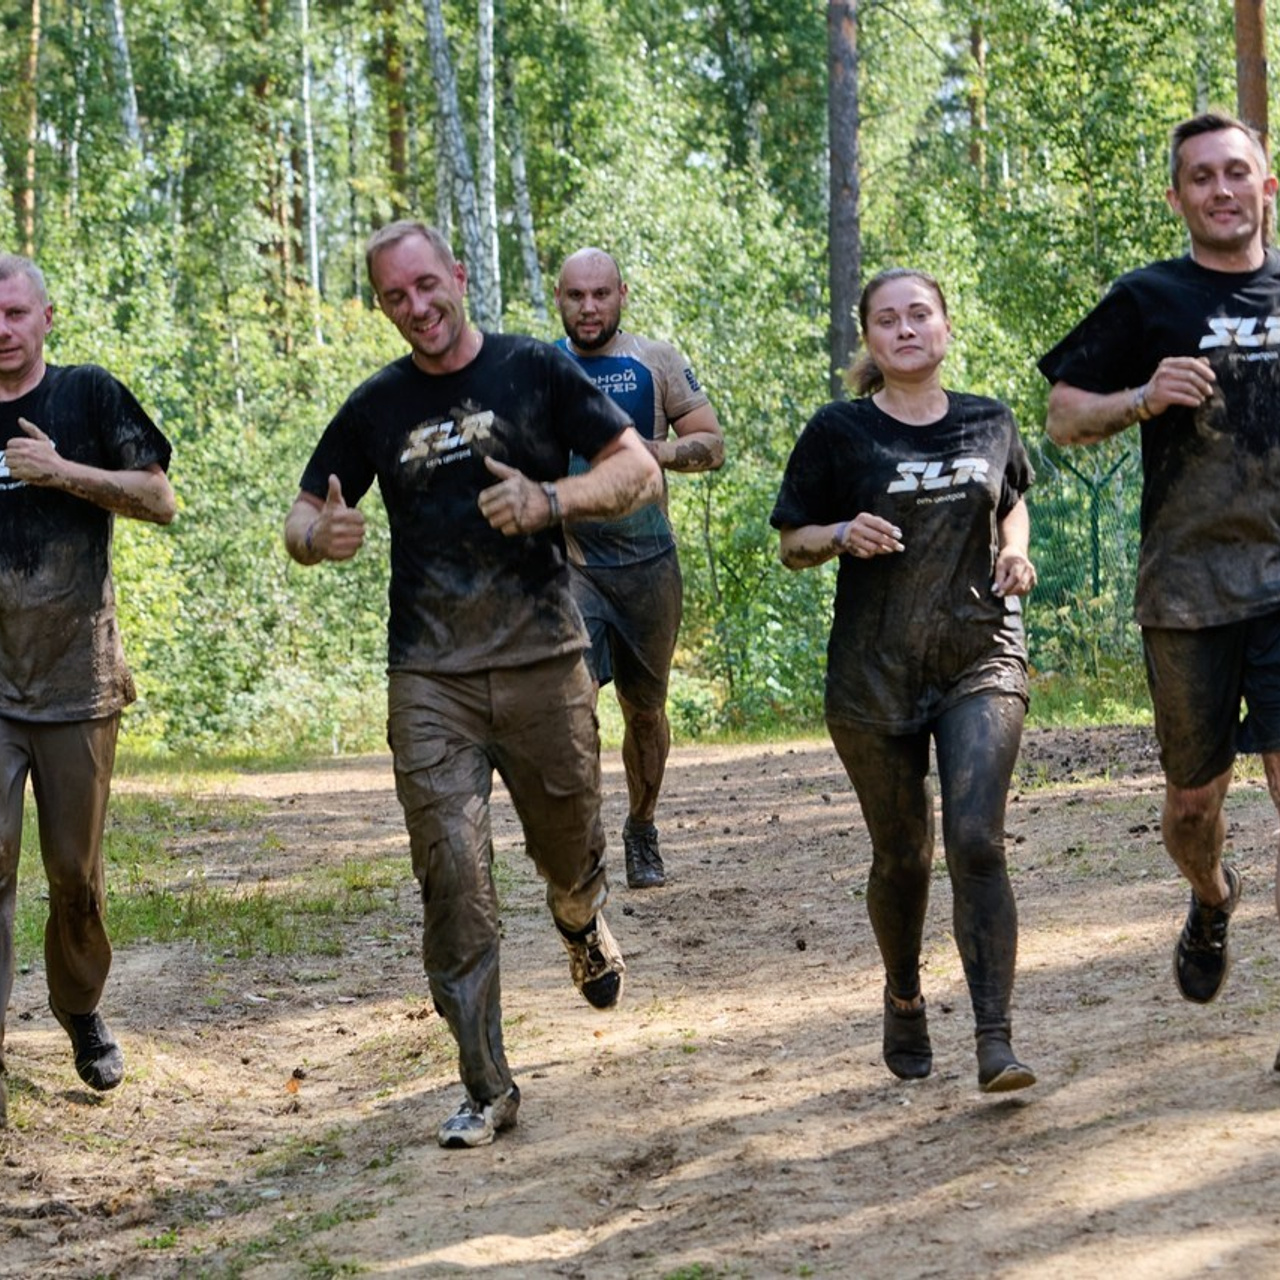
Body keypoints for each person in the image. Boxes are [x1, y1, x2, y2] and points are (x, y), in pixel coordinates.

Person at [283, 221, 662, 1149]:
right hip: (430, 675)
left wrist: (550, 500)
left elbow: (639, 471)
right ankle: (486, 1084)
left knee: (569, 854)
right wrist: (317, 540)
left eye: (426, 286)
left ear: (457, 275)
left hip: (541, 658)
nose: (416, 309)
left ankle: (580, 922)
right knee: (452, 874)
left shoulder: (534, 370)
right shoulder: (376, 405)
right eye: (393, 298)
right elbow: (302, 514)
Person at [1040, 111, 1280, 1041]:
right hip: (1188, 589)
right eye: (1201, 178)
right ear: (1178, 197)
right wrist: (1142, 397)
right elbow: (1062, 416)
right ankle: (1212, 896)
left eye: (1237, 172)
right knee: (1192, 804)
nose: (1221, 190)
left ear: (1267, 185)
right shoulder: (1149, 298)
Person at [771, 267, 1038, 1093]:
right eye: (887, 320)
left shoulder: (990, 421)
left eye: (920, 314)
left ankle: (995, 1038)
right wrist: (841, 531)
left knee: (976, 840)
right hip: (872, 674)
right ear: (870, 340)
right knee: (903, 858)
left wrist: (1016, 548)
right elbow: (791, 542)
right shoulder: (839, 432)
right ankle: (904, 992)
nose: (906, 329)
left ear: (947, 328)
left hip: (979, 656)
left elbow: (1014, 498)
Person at [0, 254, 176, 1127]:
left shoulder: (90, 395)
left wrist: (62, 471)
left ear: (46, 317)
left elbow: (159, 498)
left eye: (15, 313)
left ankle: (78, 1007)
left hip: (76, 680)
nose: (1, 329)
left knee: (73, 876)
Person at [553, 247, 724, 889]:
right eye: (577, 296)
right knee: (570, 703)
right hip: (570, 562)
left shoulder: (658, 360)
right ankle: (581, 840)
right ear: (560, 298)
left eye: (601, 294)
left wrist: (647, 452)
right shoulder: (542, 367)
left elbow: (712, 443)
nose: (589, 306)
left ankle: (642, 826)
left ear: (622, 293)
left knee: (644, 711)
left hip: (649, 563)